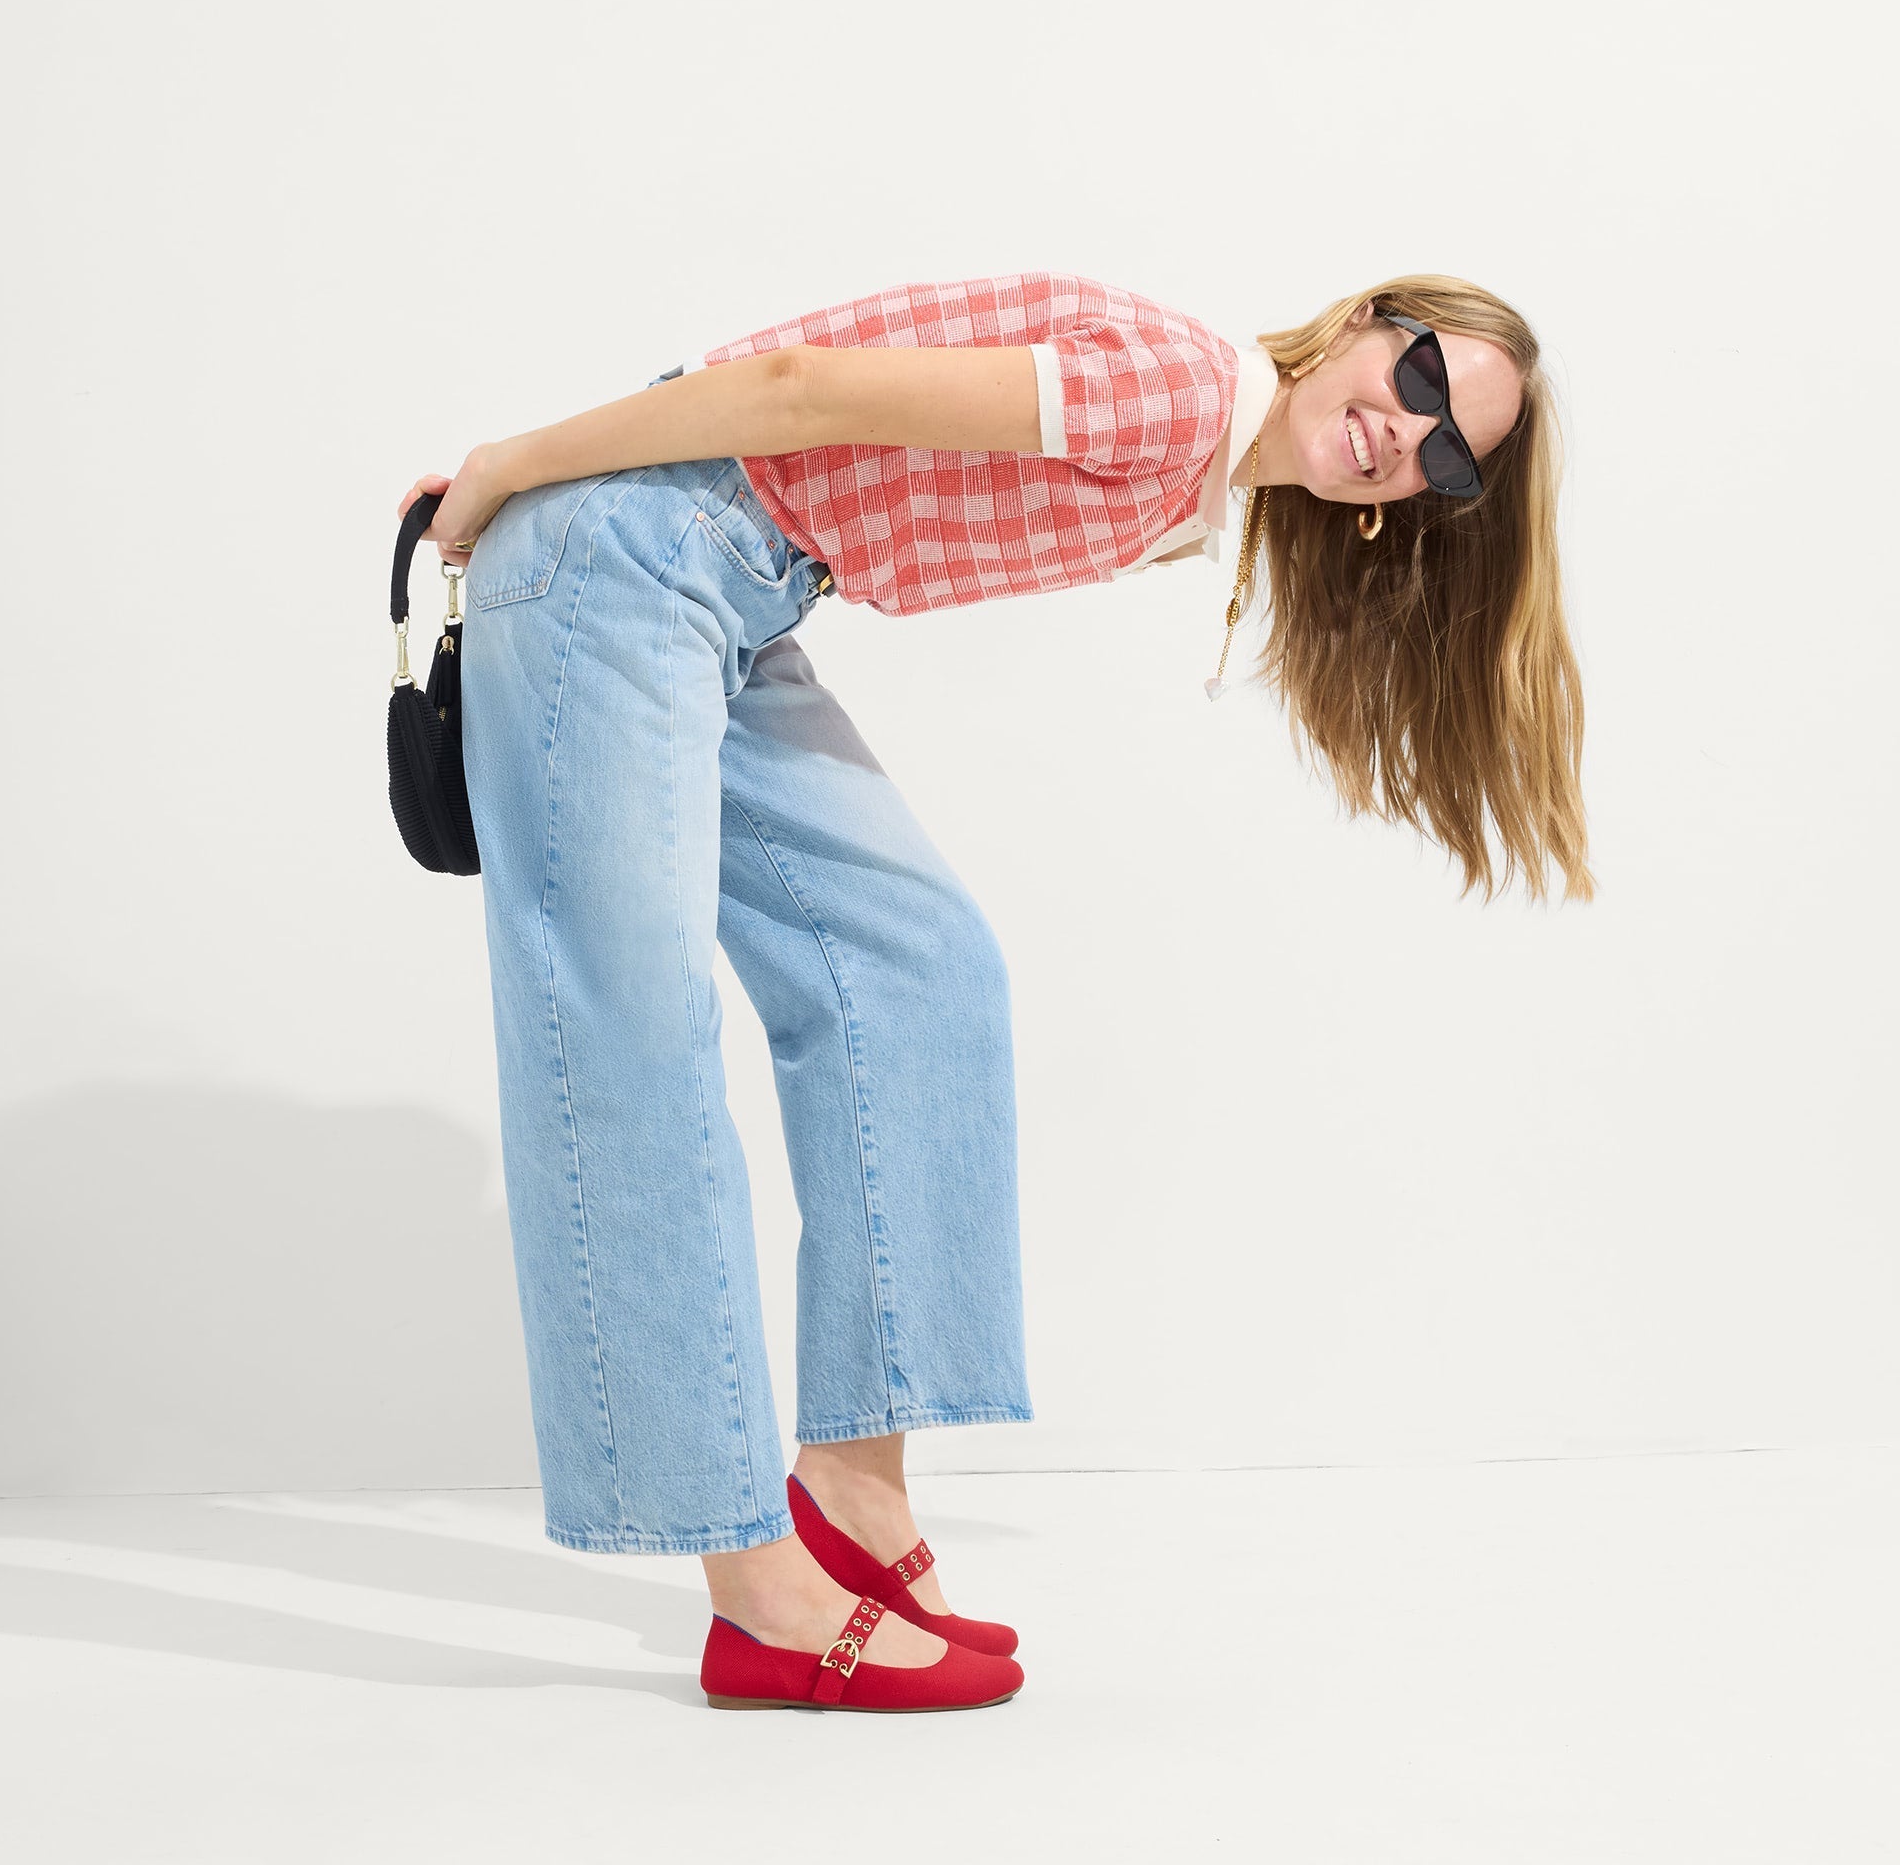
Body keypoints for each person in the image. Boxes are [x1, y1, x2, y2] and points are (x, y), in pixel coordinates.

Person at [395, 269, 1592, 1715]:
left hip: (731, 586)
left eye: (1449, 449)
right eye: (1415, 377)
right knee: (633, 1046)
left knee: (919, 969)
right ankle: (755, 1591)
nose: (1404, 432)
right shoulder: (1180, 393)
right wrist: (503, 473)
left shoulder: (1205, 489)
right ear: (1362, 321)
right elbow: (800, 393)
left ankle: (855, 1498)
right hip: (622, 554)